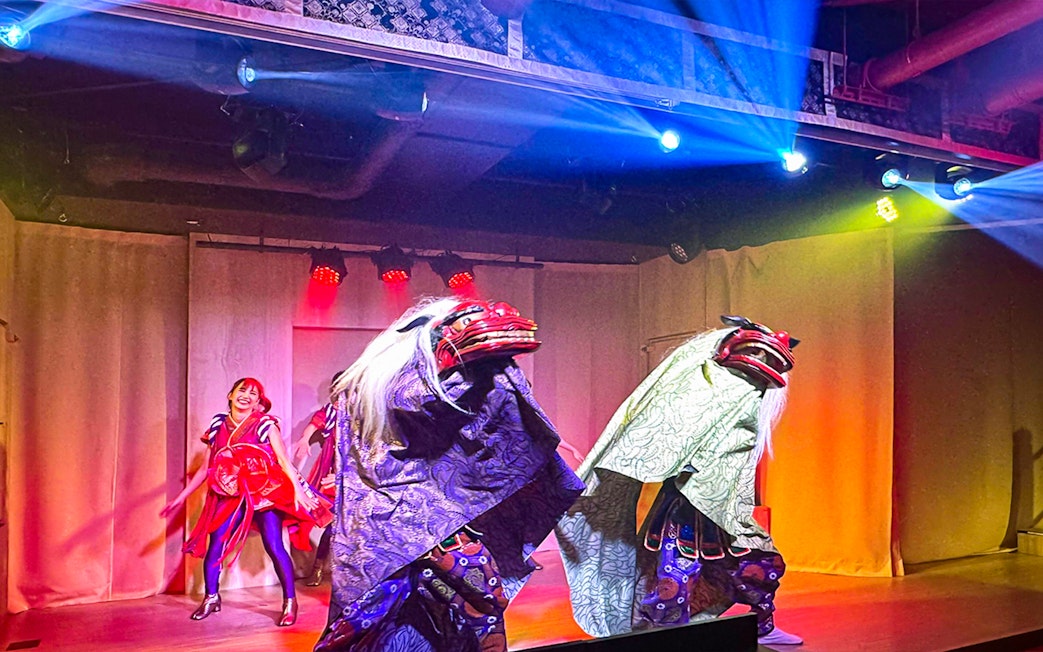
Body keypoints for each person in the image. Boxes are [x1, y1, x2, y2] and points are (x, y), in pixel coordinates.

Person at [314, 297, 584, 652]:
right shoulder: (391, 388)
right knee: (387, 620)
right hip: (395, 527)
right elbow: (423, 401)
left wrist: (489, 365)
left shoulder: (453, 384)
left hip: (436, 522)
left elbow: (498, 410)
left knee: (472, 609)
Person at [555, 316, 803, 646]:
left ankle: (762, 625)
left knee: (761, 564)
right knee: (672, 582)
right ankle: (660, 636)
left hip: (726, 512)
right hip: (683, 512)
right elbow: (665, 441)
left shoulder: (749, 401)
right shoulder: (699, 393)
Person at [161, 377, 332, 626]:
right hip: (230, 493)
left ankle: (289, 602)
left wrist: (298, 491)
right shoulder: (218, 424)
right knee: (216, 543)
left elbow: (283, 460)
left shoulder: (264, 424)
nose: (247, 396)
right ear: (230, 395)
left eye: (254, 393)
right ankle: (211, 597)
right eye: (242, 390)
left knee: (274, 545)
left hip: (264, 493)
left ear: (258, 402)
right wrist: (181, 497)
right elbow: (207, 468)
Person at [293, 376, 341, 586]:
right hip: (334, 474)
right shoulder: (332, 412)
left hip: (357, 477)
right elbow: (314, 425)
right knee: (334, 523)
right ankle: (318, 567)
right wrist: (304, 439)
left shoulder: (364, 414)